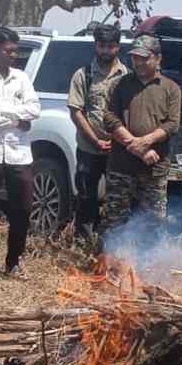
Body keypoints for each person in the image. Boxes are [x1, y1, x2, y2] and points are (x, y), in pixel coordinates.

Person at [102, 34, 181, 257]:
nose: (138, 62)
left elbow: (172, 124)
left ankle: (147, 267)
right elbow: (109, 118)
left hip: (154, 168)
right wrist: (136, 146)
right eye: (135, 58)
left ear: (158, 59)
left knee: (153, 222)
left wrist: (145, 142)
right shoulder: (120, 84)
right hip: (121, 166)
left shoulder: (171, 88)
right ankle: (110, 263)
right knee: (113, 219)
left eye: (144, 58)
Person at [0, 27, 41, 279]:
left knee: (23, 209)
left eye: (16, 51)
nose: (13, 55)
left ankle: (14, 262)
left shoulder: (21, 78)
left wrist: (5, 115)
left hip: (19, 153)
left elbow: (34, 109)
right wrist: (17, 117)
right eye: (7, 51)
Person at [68, 24, 129, 241]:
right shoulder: (83, 75)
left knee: (117, 200)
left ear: (117, 48)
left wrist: (119, 139)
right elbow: (76, 112)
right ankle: (83, 245)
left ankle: (111, 245)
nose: (106, 51)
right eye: (102, 45)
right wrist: (94, 140)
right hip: (88, 148)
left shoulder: (127, 76)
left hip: (118, 150)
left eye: (111, 46)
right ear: (96, 45)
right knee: (86, 198)